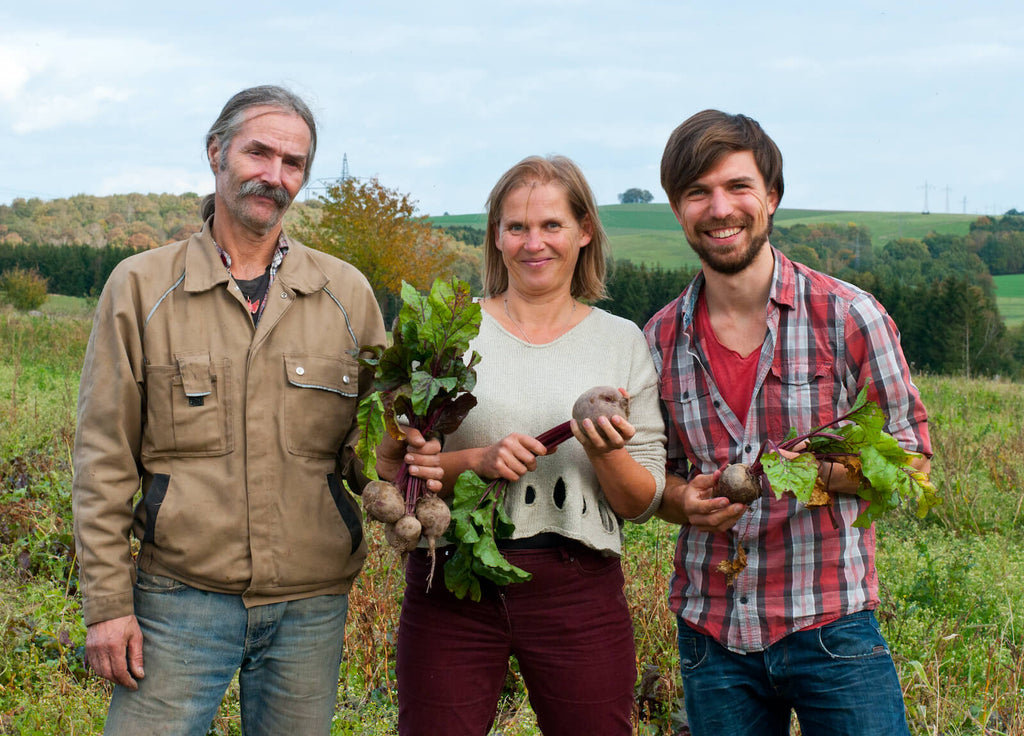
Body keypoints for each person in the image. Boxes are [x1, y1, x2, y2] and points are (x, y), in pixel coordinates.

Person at [71, 84, 438, 735]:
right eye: (259, 152)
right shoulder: (141, 288)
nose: (274, 175)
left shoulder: (343, 295)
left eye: (293, 162)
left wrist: (410, 470)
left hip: (309, 607)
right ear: (217, 152)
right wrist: (106, 607)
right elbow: (102, 459)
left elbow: (368, 448)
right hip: (179, 600)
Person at [644, 109, 932, 735]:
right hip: (711, 633)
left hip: (831, 625)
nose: (720, 208)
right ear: (677, 210)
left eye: (737, 187)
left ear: (771, 197)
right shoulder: (659, 340)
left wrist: (811, 472)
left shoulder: (849, 317)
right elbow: (653, 480)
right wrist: (680, 500)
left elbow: (910, 461)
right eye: (698, 193)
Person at [394, 155, 667, 736]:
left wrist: (605, 452)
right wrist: (477, 460)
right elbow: (402, 473)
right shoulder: (453, 332)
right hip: (453, 580)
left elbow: (641, 502)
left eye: (551, 225)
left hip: (579, 588)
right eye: (516, 227)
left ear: (584, 231)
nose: (532, 243)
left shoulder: (621, 342)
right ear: (496, 236)